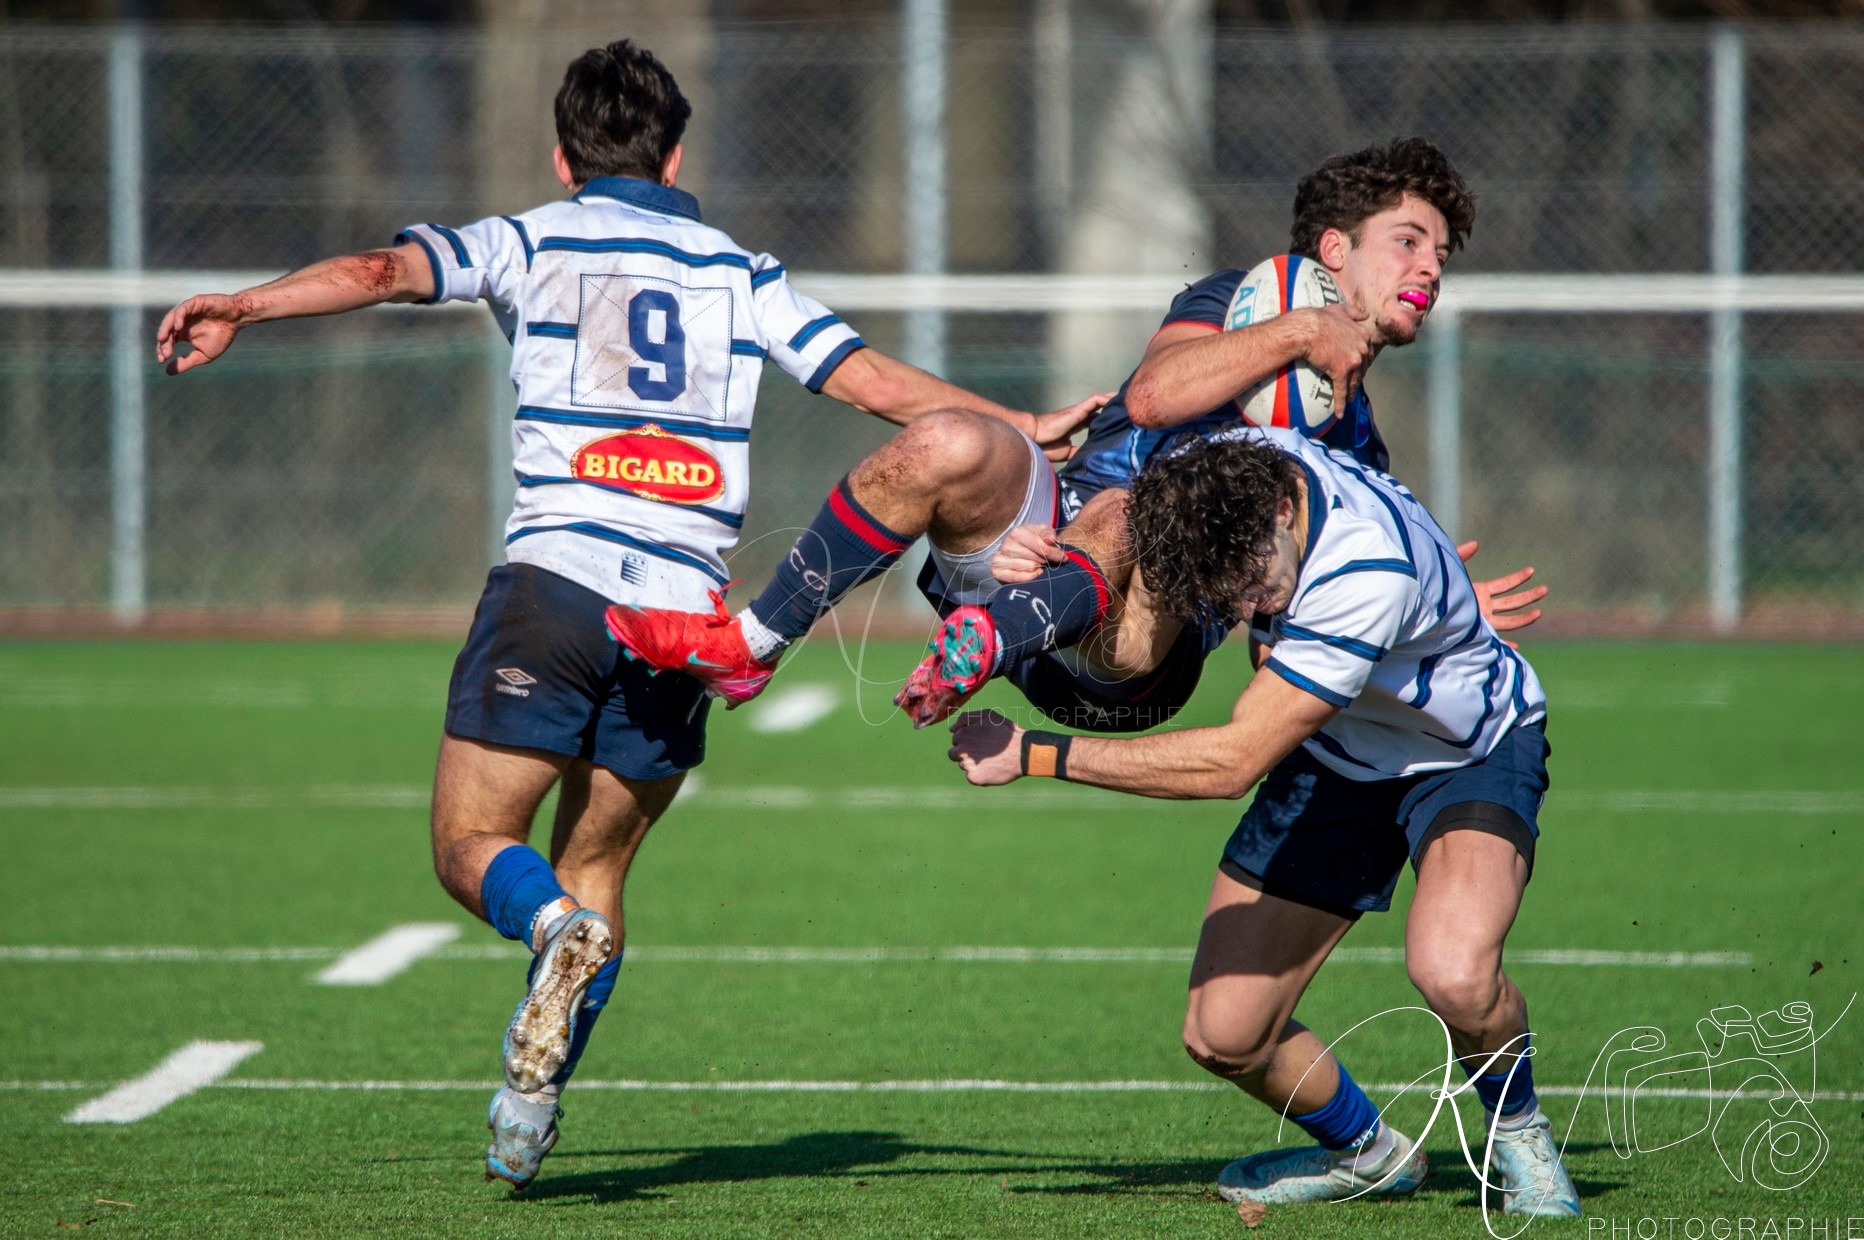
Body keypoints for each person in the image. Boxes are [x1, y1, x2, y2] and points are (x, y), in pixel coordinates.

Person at [153, 39, 1097, 1190]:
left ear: (563, 157)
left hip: (555, 587)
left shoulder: (527, 237)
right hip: (688, 618)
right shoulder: (740, 272)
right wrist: (1020, 422)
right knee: (597, 866)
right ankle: (527, 1107)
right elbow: (875, 386)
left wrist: (245, 305)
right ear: (676, 154)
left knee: (471, 848)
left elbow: (379, 269)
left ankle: (547, 932)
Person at [607, 137, 1544, 734]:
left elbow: (1279, 649)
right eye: (1409, 241)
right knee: (946, 441)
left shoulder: (1356, 455)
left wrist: (1416, 612)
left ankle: (992, 635)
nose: (1431, 267)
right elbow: (1154, 398)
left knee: (1137, 509)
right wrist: (1303, 330)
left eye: (1440, 255)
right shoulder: (1231, 303)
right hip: (1042, 546)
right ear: (1333, 250)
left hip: (1131, 663)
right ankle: (751, 645)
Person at [947, 428, 1582, 1218]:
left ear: (1283, 509)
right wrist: (1056, 556)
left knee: (1454, 974)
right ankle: (1369, 1154)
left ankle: (1519, 1130)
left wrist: (1034, 753)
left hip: (1462, 750)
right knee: (1226, 1035)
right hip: (1335, 753)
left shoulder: (1363, 574)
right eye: (1229, 594)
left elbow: (1232, 762)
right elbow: (1117, 498)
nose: (1248, 608)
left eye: (1252, 580)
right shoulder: (1226, 467)